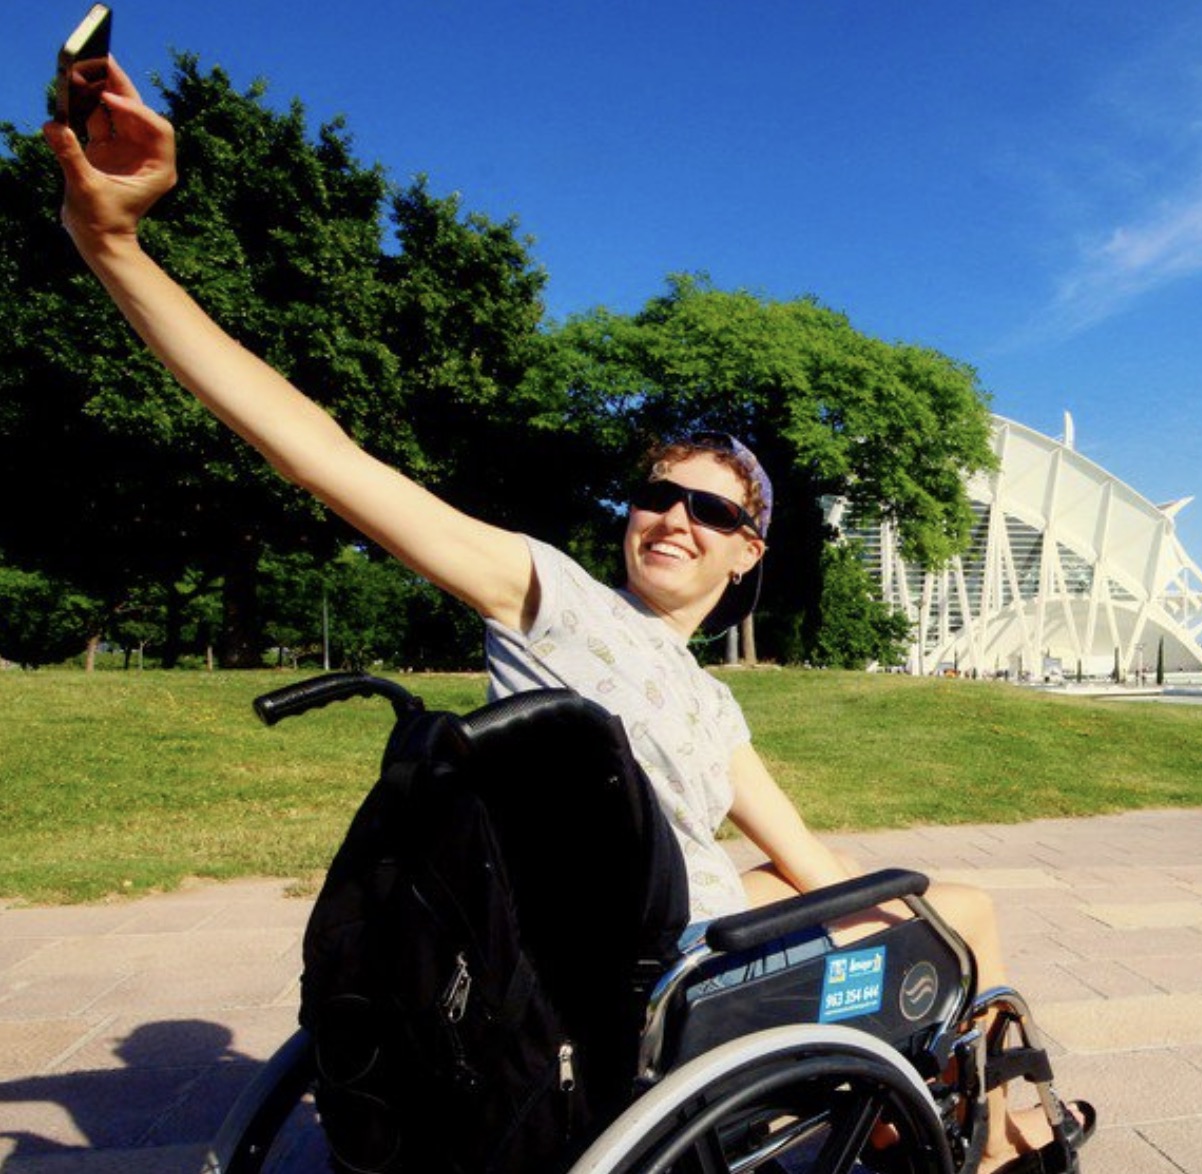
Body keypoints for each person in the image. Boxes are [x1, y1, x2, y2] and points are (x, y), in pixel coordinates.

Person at [42, 58, 1088, 1174]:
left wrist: (873, 903)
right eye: (657, 495)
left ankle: (946, 1112)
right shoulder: (551, 597)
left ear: (748, 552)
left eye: (710, 510)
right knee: (964, 913)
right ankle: (999, 1145)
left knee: (863, 892)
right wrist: (115, 247)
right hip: (658, 985)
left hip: (659, 948)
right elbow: (327, 456)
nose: (673, 519)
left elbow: (803, 860)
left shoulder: (710, 703)